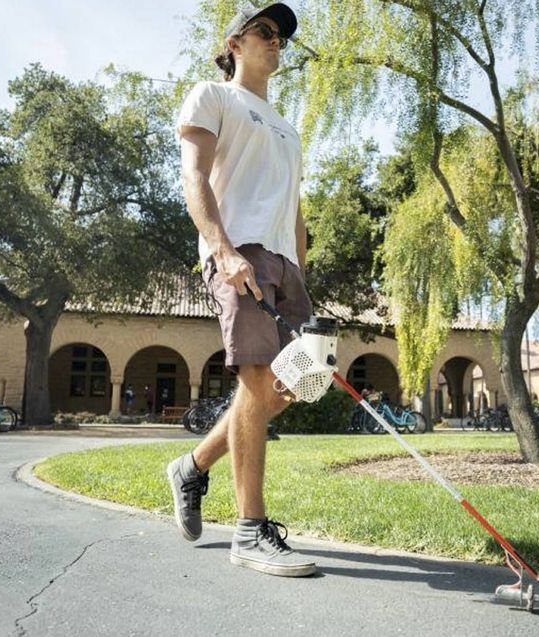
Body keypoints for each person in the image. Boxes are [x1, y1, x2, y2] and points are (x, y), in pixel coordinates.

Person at [166, 3, 315, 578]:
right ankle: (251, 531)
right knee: (256, 380)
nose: (276, 42)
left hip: (285, 266)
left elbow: (294, 207)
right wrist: (222, 249)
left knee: (291, 388)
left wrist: (302, 273)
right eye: (265, 32)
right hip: (239, 253)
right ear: (234, 43)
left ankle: (193, 466)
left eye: (281, 36)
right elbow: (194, 176)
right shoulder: (213, 96)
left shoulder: (287, 126)